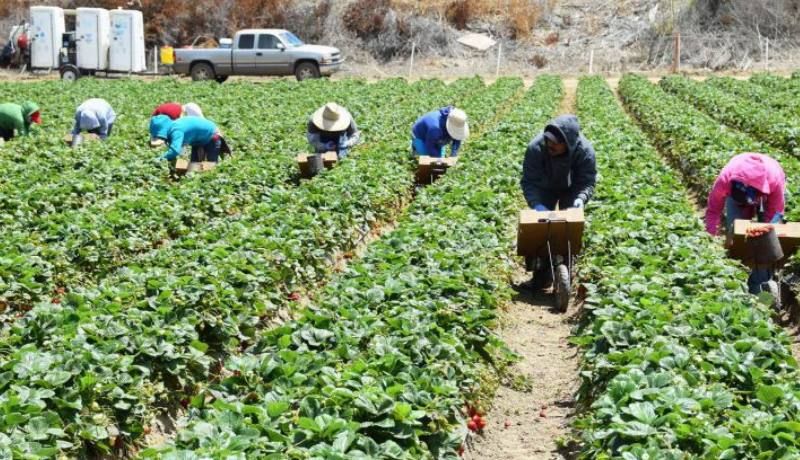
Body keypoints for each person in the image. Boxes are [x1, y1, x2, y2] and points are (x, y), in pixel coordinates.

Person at [520, 114, 597, 289]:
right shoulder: (536, 148)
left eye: (555, 143)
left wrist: (580, 198)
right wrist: (536, 204)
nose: (550, 145)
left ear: (567, 143)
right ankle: (541, 276)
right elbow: (529, 181)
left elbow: (587, 181)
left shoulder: (584, 151)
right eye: (548, 141)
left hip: (572, 188)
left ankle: (565, 271)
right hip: (544, 186)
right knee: (541, 226)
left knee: (568, 227)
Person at [705, 153, 786, 295]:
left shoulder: (774, 180)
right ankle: (739, 271)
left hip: (765, 191)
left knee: (764, 239)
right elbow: (713, 210)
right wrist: (710, 236)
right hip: (736, 194)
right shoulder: (725, 180)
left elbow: (776, 212)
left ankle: (760, 280)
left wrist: (765, 233)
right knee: (737, 230)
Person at [150, 114, 227, 165]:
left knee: (211, 164)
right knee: (195, 165)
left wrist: (160, 159)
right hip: (198, 140)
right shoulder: (172, 128)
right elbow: (181, 150)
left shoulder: (176, 130)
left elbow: (174, 151)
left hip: (212, 135)